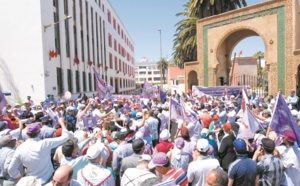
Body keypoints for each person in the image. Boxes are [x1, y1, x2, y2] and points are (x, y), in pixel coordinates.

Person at [8, 118, 71, 185]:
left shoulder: (20, 148)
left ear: (27, 134)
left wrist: (21, 178)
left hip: (30, 182)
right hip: (46, 180)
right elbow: (66, 136)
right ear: (39, 132)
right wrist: (62, 123)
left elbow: (11, 169)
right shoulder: (44, 144)